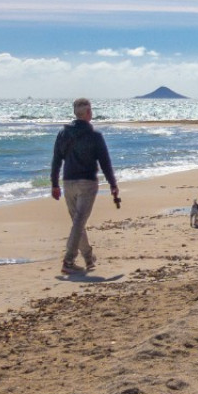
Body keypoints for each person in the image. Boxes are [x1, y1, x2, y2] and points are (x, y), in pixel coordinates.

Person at [50, 97, 119, 276]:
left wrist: (54, 184)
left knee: (77, 222)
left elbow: (56, 160)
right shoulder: (95, 136)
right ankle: (69, 260)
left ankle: (88, 258)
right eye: (90, 110)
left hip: (68, 182)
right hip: (87, 183)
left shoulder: (63, 133)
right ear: (88, 113)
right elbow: (105, 162)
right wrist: (113, 184)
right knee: (79, 222)